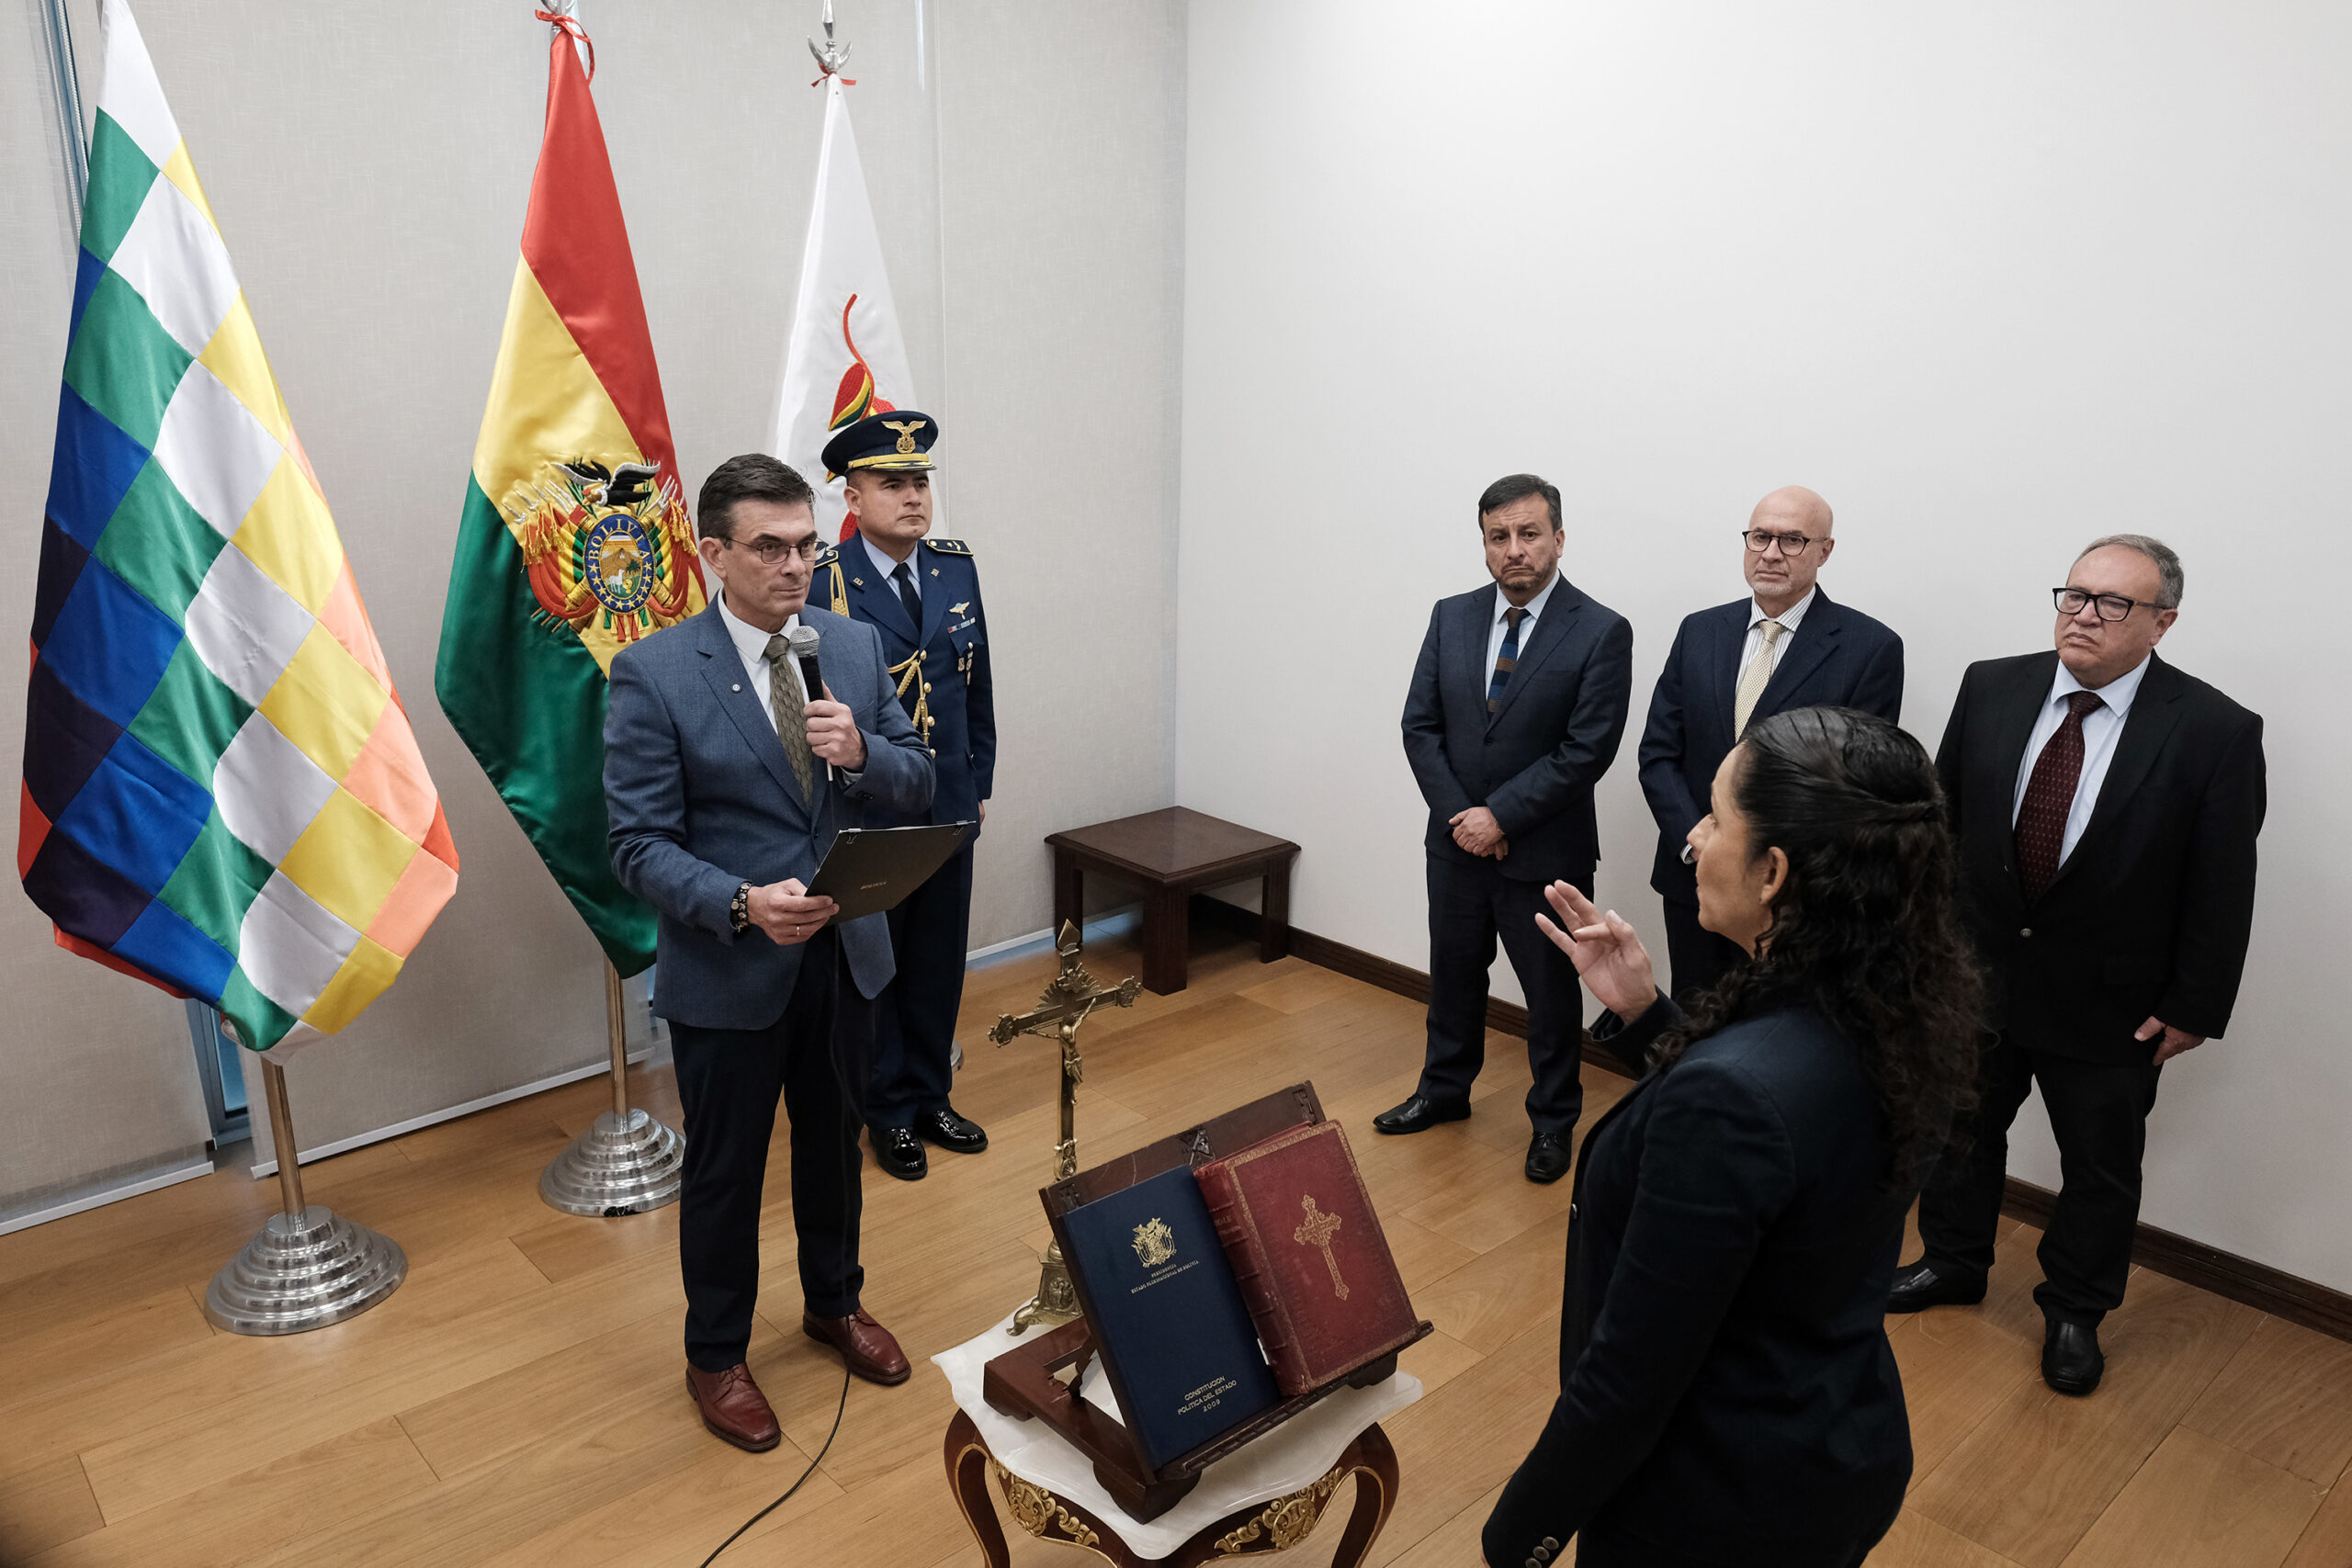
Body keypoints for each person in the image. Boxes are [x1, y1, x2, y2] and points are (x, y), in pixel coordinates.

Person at [1484, 707, 1985, 1568]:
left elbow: (1633, 1375)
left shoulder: (1737, 1097)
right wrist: (1646, 1016)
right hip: (1829, 1435)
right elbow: (1790, 1146)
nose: (1696, 838)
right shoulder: (1893, 1003)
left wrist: (1520, 1533)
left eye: (1716, 818)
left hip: (1711, 1499)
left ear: (1775, 871)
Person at [605, 454, 934, 1452]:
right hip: (731, 969)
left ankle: (834, 1304)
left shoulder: (853, 644)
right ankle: (717, 1355)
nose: (795, 566)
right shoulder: (655, 672)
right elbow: (635, 845)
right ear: (714, 554)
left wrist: (865, 755)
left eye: (805, 544)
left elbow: (918, 783)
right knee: (726, 1172)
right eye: (768, 548)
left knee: (835, 1149)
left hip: (846, 956)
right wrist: (740, 903)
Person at [1893, 536, 2264, 1396]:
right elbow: (1941, 824)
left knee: (2098, 1163)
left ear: (2163, 622)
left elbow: (2222, 882)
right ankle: (1952, 1259)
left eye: (2112, 603)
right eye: (2073, 594)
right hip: (1979, 973)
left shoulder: (2213, 730)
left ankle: (2075, 1308)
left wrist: (2195, 1004)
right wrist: (1926, 947)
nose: (2083, 615)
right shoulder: (1992, 684)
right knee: (1960, 1131)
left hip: (2113, 999)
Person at [1383, 473, 1634, 1184]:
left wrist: (1504, 816)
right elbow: (1420, 726)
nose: (1514, 550)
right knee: (1455, 976)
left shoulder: (1601, 629)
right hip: (1456, 845)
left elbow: (1588, 748)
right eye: (1500, 537)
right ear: (1485, 544)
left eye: (1529, 534)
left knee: (1551, 994)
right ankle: (1443, 1090)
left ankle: (1554, 1121)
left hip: (1543, 851)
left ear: (1558, 537)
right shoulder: (1451, 615)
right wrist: (1464, 819)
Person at [813, 411, 996, 1182]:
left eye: (920, 481)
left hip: (948, 801)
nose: (914, 497)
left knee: (938, 958)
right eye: (893, 483)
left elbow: (975, 680)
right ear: (852, 496)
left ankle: (930, 1092)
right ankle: (884, 1111)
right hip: (872, 808)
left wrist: (979, 779)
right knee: (878, 966)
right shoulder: (823, 579)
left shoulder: (955, 566)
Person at [1637, 486, 1903, 998]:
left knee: (1772, 1030)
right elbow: (1659, 753)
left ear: (1825, 551)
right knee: (1694, 1017)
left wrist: (1762, 863)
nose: (1771, 552)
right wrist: (1697, 841)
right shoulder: (1700, 630)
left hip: (1789, 895)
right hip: (1693, 874)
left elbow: (1854, 790)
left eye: (1792, 540)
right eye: (1760, 536)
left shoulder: (1870, 649)